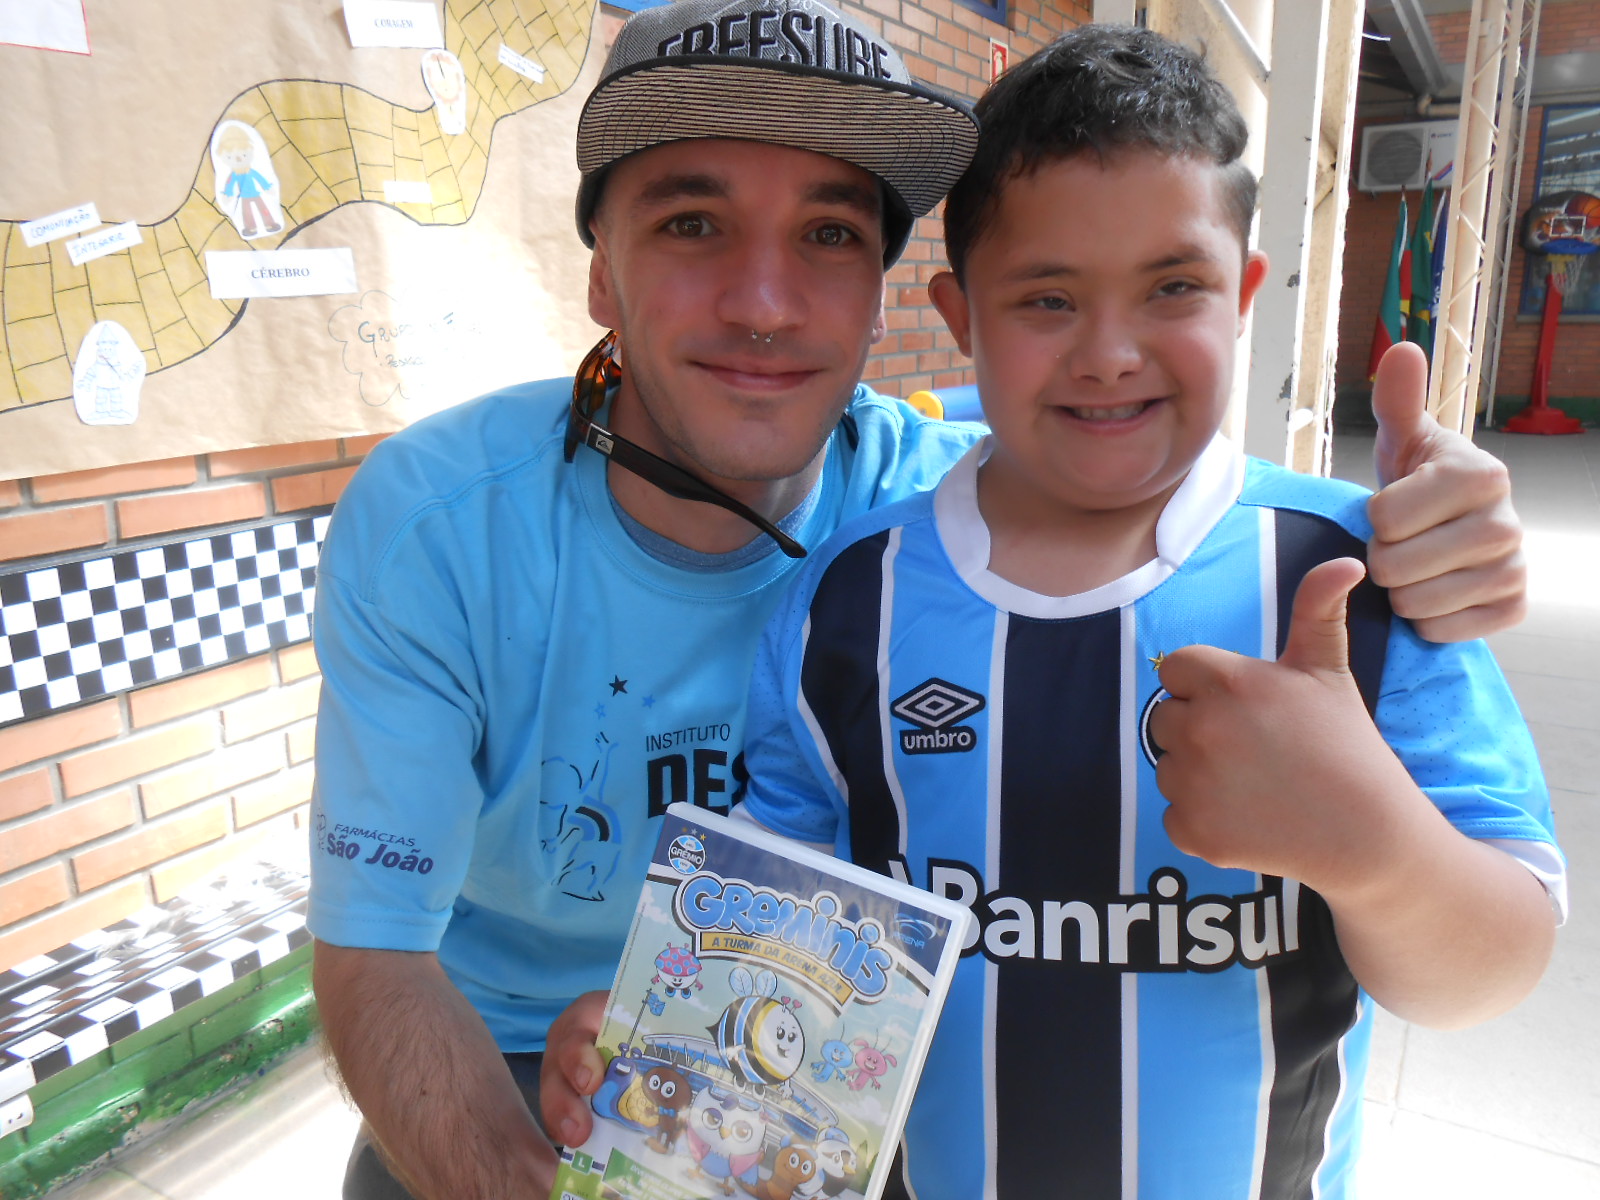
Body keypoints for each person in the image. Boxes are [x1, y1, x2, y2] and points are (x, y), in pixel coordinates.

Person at [308, 4, 1534, 1198]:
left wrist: (1442, 530)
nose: (766, 305)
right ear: (600, 274)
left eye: (832, 235)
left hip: (831, 1066)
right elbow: (374, 951)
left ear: (896, 296)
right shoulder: (447, 525)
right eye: (691, 222)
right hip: (531, 1051)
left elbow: (1089, 440)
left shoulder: (931, 507)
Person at [684, 25, 1561, 1200]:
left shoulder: (1349, 583)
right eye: (1047, 298)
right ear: (959, 317)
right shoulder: (844, 603)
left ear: (1245, 292)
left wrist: (1374, 850)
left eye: (1173, 287)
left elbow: (1494, 966)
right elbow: (770, 948)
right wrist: (677, 1048)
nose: (1109, 354)